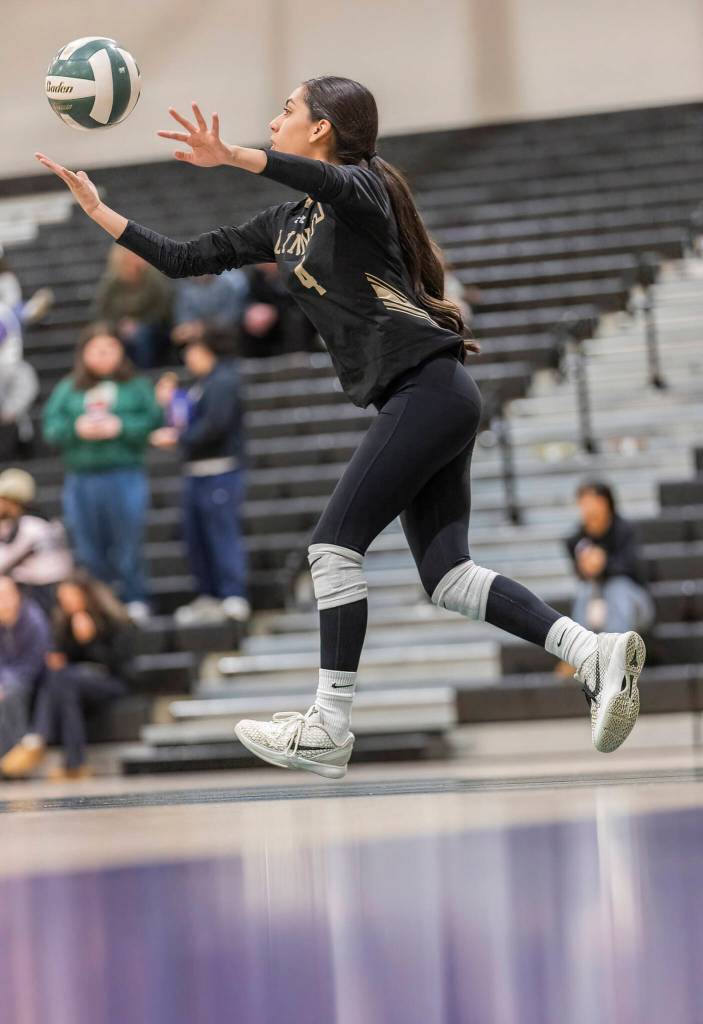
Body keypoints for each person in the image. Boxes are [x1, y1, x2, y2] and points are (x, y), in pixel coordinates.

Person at [35, 76, 647, 778]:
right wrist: (99, 210)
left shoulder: (362, 190)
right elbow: (184, 258)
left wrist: (228, 153)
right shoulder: (286, 223)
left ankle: (328, 725)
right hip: (422, 397)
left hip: (428, 391)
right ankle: (589, 651)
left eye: (287, 109)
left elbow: (315, 177)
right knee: (447, 576)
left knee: (331, 546)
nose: (274, 118)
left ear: (322, 128)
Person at [42, 322, 163, 620]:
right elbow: (51, 427)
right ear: (83, 354)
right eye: (96, 350)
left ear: (121, 353)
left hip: (124, 474)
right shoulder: (69, 388)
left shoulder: (135, 386)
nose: (103, 356)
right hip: (82, 478)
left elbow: (154, 419)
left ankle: (134, 598)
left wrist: (120, 426)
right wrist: (76, 428)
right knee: (88, 546)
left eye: (109, 349)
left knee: (127, 540)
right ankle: (100, 605)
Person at [152, 329, 249, 624]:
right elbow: (186, 418)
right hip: (195, 473)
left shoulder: (223, 380)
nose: (187, 358)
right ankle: (208, 594)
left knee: (222, 534)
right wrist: (168, 403)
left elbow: (215, 425)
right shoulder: (200, 385)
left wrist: (179, 439)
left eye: (192, 351)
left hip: (219, 470)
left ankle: (233, 594)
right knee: (197, 539)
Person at [0, 570, 131, 780]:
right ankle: (73, 763)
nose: (67, 603)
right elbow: (64, 656)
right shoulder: (64, 621)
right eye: (64, 599)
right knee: (61, 681)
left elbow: (118, 664)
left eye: (71, 597)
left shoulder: (111, 618)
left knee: (62, 679)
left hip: (110, 681)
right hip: (72, 682)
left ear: (85, 595)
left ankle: (37, 739)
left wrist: (90, 640)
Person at [567, 481, 655, 635]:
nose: (588, 509)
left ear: (606, 503)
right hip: (596, 603)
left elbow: (633, 569)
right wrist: (586, 567)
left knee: (617, 587)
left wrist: (602, 563)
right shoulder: (576, 539)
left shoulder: (627, 531)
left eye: (592, 502)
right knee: (584, 592)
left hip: (634, 603)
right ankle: (578, 653)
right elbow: (580, 575)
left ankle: (616, 651)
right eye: (584, 504)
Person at [0, 468, 73, 614]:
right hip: (41, 588)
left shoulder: (31, 525)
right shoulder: (38, 520)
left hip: (43, 592)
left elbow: (3, 562)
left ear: (13, 501)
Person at [94, 244, 172, 368]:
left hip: (152, 326)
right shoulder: (111, 283)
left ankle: (144, 372)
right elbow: (103, 311)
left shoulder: (153, 278)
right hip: (120, 327)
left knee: (141, 335)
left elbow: (162, 308)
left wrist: (138, 322)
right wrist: (119, 324)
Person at [0, 576, 51, 758]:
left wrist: (6, 683)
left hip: (33, 677)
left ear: (17, 595)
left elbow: (35, 661)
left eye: (6, 596)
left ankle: (13, 755)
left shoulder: (34, 619)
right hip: (6, 679)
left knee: (10, 695)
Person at [240, 262, 319, 357]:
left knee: (295, 318)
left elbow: (299, 300)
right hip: (268, 328)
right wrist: (253, 310)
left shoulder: (297, 272)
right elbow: (252, 298)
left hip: (296, 319)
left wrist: (274, 311)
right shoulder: (258, 277)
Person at [171, 269, 249, 348]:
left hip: (222, 337)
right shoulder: (185, 290)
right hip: (195, 339)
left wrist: (204, 328)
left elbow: (231, 317)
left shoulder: (225, 286)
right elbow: (183, 319)